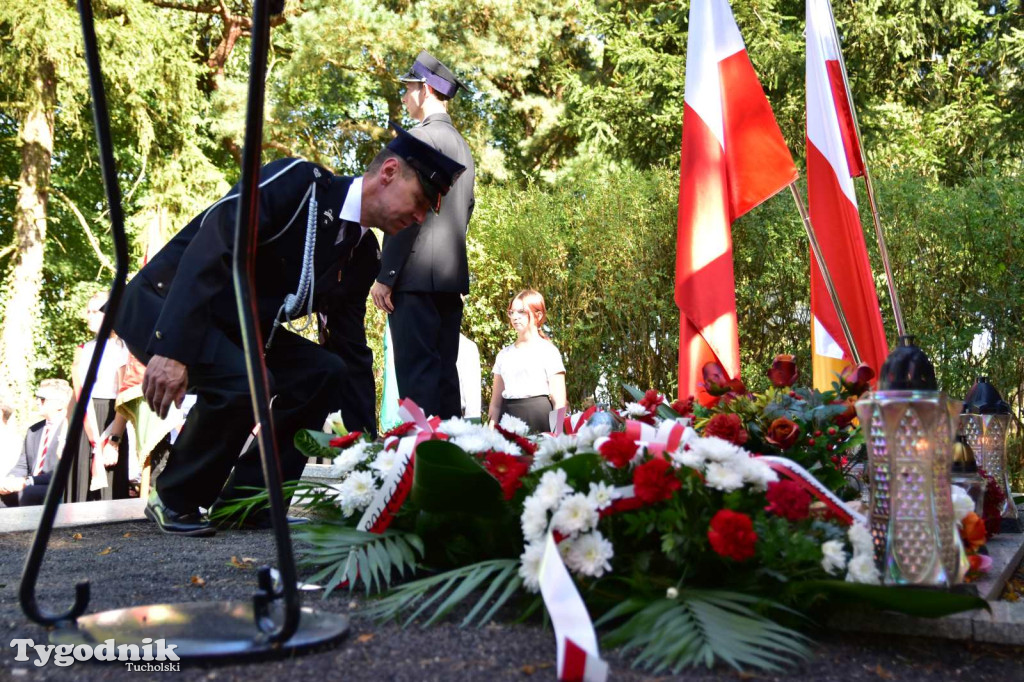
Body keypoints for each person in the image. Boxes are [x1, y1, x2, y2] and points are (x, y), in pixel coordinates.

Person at [113, 123, 465, 536]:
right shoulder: (299, 184)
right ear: (388, 173)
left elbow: (350, 354)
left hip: (237, 332)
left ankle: (249, 502)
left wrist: (371, 452)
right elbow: (213, 244)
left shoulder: (362, 256)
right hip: (166, 306)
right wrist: (171, 346)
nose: (421, 217)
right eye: (420, 201)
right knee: (247, 377)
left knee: (322, 372)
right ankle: (174, 497)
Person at [371, 51, 475, 420]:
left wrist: (387, 275)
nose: (404, 96)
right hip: (449, 282)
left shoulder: (418, 139)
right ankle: (451, 464)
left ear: (426, 89)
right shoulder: (464, 146)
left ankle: (423, 470)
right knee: (446, 379)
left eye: (408, 88)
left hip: (413, 280)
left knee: (417, 383)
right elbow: (466, 211)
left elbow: (404, 211)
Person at [318, 229, 380, 438]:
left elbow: (340, 293)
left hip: (348, 332)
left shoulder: (366, 243)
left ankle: (363, 440)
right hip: (332, 330)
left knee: (355, 377)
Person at [71, 292, 131, 502]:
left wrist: (114, 440)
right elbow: (75, 396)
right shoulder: (83, 349)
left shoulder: (122, 349)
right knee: (77, 492)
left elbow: (124, 396)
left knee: (108, 497)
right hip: (82, 425)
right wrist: (63, 437)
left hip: (111, 419)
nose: (89, 316)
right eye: (88, 311)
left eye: (95, 311)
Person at [488, 290, 567, 433]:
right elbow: (495, 405)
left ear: (539, 315)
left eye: (521, 312)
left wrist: (558, 435)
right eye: (512, 312)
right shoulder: (503, 355)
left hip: (540, 420)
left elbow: (559, 402)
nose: (515, 317)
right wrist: (490, 436)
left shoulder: (549, 351)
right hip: (507, 422)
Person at [0, 379, 72, 507]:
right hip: (30, 486)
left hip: (56, 489)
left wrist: (27, 482)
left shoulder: (69, 432)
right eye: (37, 397)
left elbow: (63, 472)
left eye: (43, 399)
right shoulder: (33, 431)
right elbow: (22, 466)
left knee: (27, 493)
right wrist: (10, 480)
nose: (37, 402)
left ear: (60, 404)